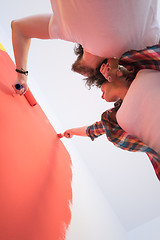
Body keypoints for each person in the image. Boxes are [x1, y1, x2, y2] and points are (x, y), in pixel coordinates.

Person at [11, 0, 160, 94]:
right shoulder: (139, 45)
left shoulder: (64, 28)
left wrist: (21, 75)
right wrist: (118, 76)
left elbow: (19, 28)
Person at [59, 44, 160, 181]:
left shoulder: (144, 70)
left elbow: (120, 42)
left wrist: (113, 63)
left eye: (101, 89)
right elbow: (92, 130)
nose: (101, 96)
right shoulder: (115, 118)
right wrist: (72, 131)